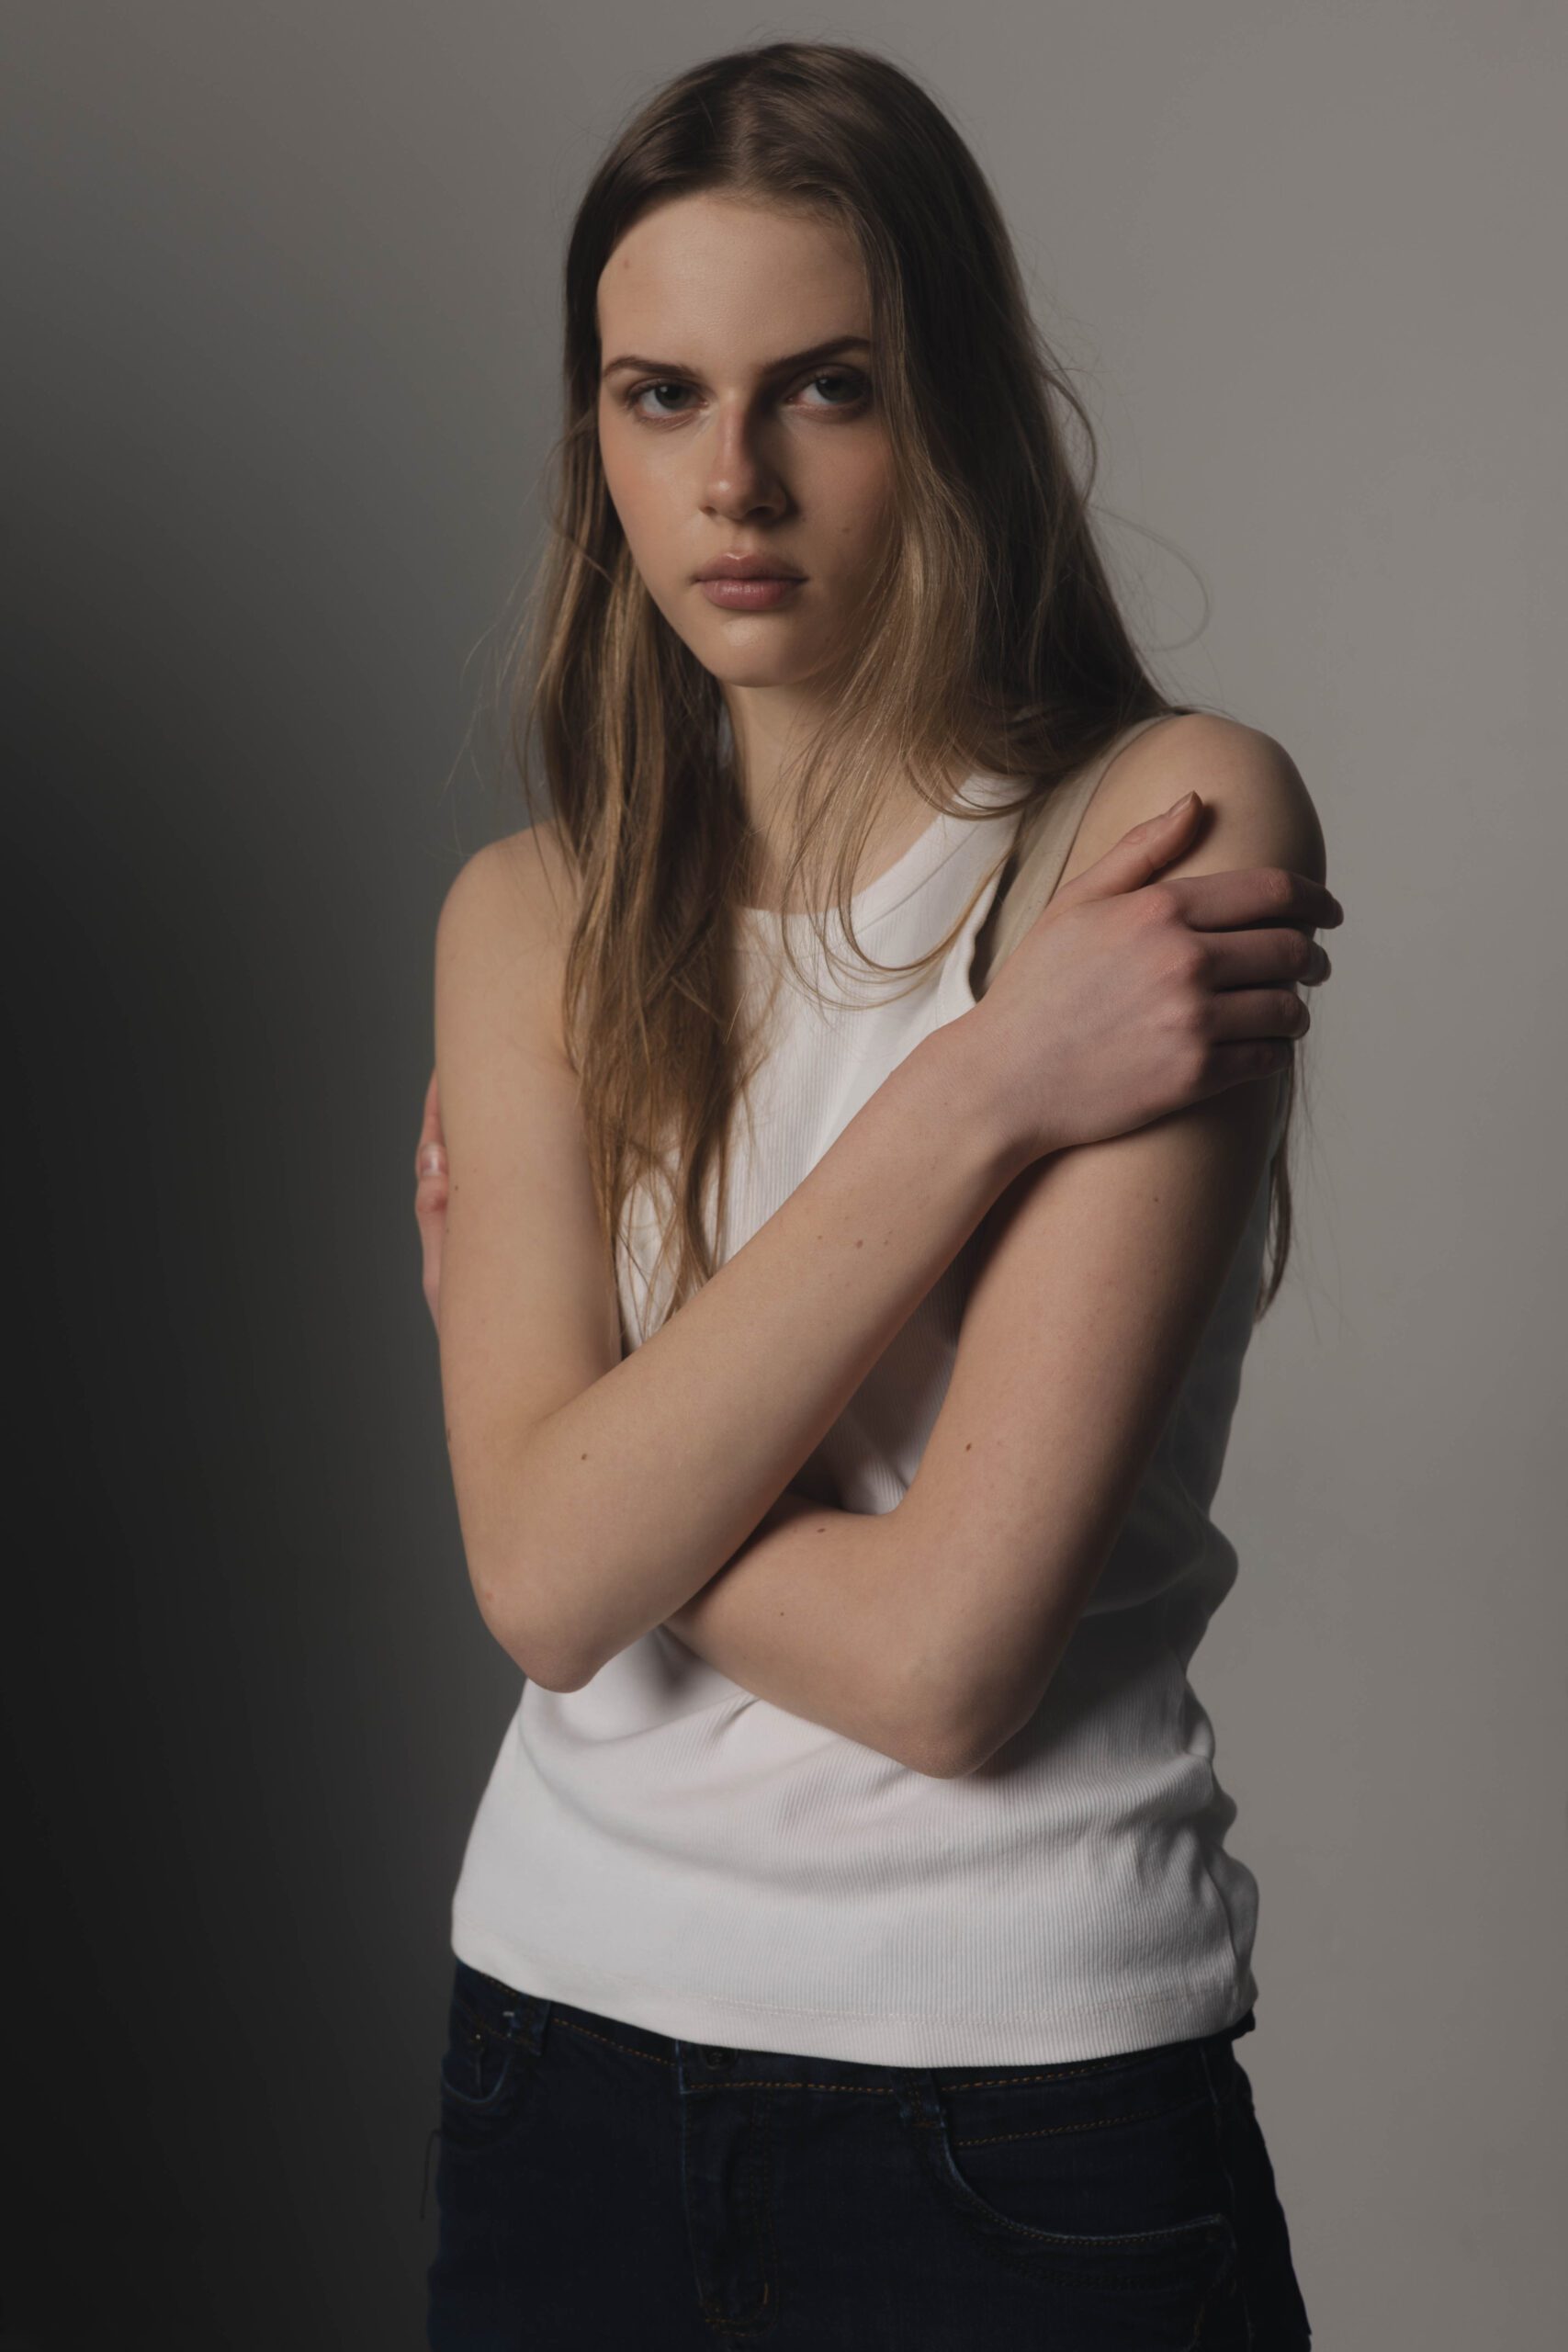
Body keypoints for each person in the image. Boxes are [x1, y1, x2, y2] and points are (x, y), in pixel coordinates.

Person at [413, 39, 1336, 2348]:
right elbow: (534, 1583)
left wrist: (595, 1470)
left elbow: (940, 1661)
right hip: (554, 2062)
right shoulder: (526, 916)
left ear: (950, 414)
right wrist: (981, 1088)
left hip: (1013, 2117)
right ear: (595, 440)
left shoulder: (1156, 835)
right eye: (657, 396)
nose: (730, 479)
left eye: (821, 387)